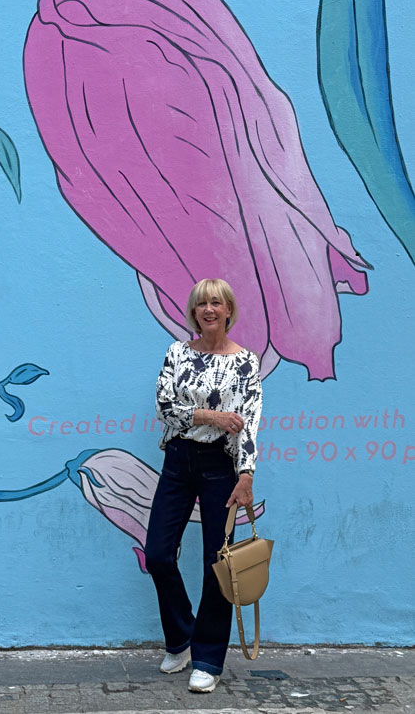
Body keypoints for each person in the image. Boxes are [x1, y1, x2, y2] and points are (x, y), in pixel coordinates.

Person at [144, 278, 262, 693]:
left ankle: (208, 659)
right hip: (178, 460)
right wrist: (212, 416)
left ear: (229, 310)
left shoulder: (247, 361)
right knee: (158, 554)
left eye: (217, 302)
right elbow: (165, 407)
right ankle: (181, 638)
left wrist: (245, 475)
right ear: (193, 312)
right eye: (201, 304)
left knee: (218, 563)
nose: (209, 309)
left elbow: (247, 422)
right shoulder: (178, 352)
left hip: (220, 467)